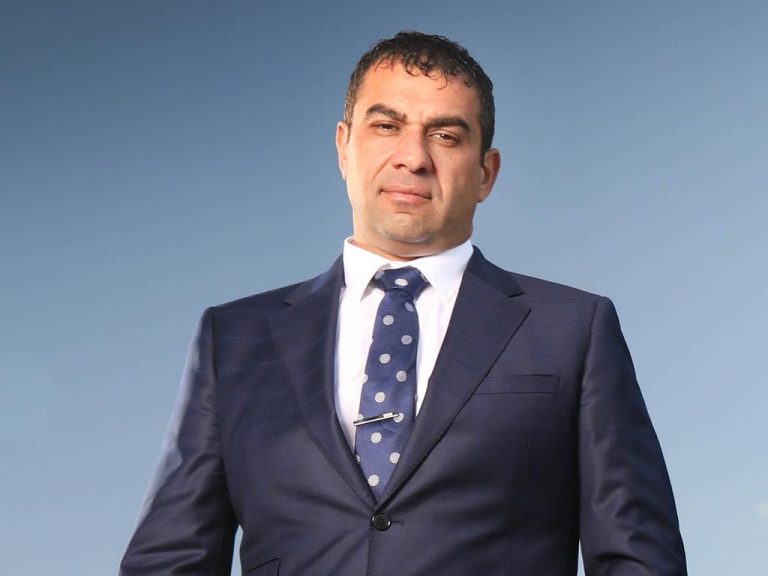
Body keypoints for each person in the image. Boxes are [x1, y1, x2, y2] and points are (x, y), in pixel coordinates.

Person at [120, 31, 687, 576]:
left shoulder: (573, 332)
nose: (412, 157)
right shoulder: (234, 339)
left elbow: (639, 559)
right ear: (343, 147)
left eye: (446, 135)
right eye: (386, 126)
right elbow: (170, 562)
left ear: (486, 173)